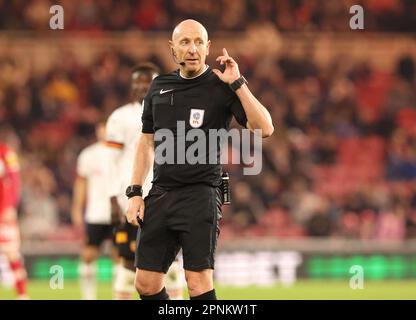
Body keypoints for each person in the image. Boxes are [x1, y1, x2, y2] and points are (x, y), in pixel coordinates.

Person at [125, 19, 274, 300]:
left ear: (208, 48)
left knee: (197, 284)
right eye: (184, 42)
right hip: (160, 193)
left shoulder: (222, 87)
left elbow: (265, 128)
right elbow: (146, 142)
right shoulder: (158, 87)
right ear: (173, 49)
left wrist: (238, 83)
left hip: (201, 195)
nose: (192, 49)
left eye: (198, 42)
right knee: (145, 283)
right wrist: (134, 192)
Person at [106, 63, 184, 300]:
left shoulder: (172, 112)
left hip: (164, 194)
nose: (142, 87)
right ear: (131, 87)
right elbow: (110, 161)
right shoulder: (119, 118)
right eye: (138, 83)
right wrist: (112, 197)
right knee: (129, 260)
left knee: (170, 257)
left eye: (147, 82)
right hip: (129, 197)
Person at [71, 122, 114, 300]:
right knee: (88, 255)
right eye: (101, 128)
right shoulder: (88, 155)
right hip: (95, 213)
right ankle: (88, 297)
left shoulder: (123, 152)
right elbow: (81, 183)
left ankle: (118, 296)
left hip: (117, 213)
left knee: (120, 256)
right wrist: (76, 208)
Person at [0, 141, 29, 300]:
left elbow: (14, 180)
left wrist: (11, 206)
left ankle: (22, 295)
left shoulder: (5, 152)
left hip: (3, 213)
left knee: (11, 253)